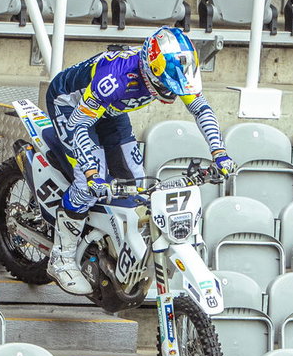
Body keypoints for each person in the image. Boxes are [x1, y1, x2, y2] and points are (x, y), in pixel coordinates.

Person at [42, 26, 237, 295]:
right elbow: (78, 125)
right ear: (151, 71)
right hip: (71, 107)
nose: (173, 93)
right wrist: (90, 173)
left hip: (111, 110)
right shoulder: (115, 78)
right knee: (88, 184)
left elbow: (201, 109)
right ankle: (61, 258)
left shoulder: (174, 69)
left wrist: (219, 152)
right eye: (166, 86)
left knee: (137, 184)